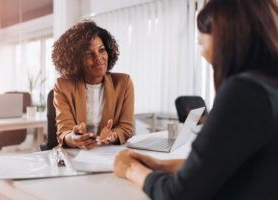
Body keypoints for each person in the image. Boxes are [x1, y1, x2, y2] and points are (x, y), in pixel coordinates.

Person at [113, 0, 278, 199]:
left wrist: (131, 169)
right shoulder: (268, 86)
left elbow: (179, 194)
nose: (203, 54)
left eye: (201, 42)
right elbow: (218, 165)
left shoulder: (245, 92)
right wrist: (159, 165)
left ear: (224, 37)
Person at [52, 20, 134, 149]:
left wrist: (113, 135)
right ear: (76, 60)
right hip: (75, 154)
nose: (98, 58)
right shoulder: (63, 85)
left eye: (101, 50)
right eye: (88, 54)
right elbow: (64, 131)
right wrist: (74, 139)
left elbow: (126, 128)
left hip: (108, 153)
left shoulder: (123, 83)